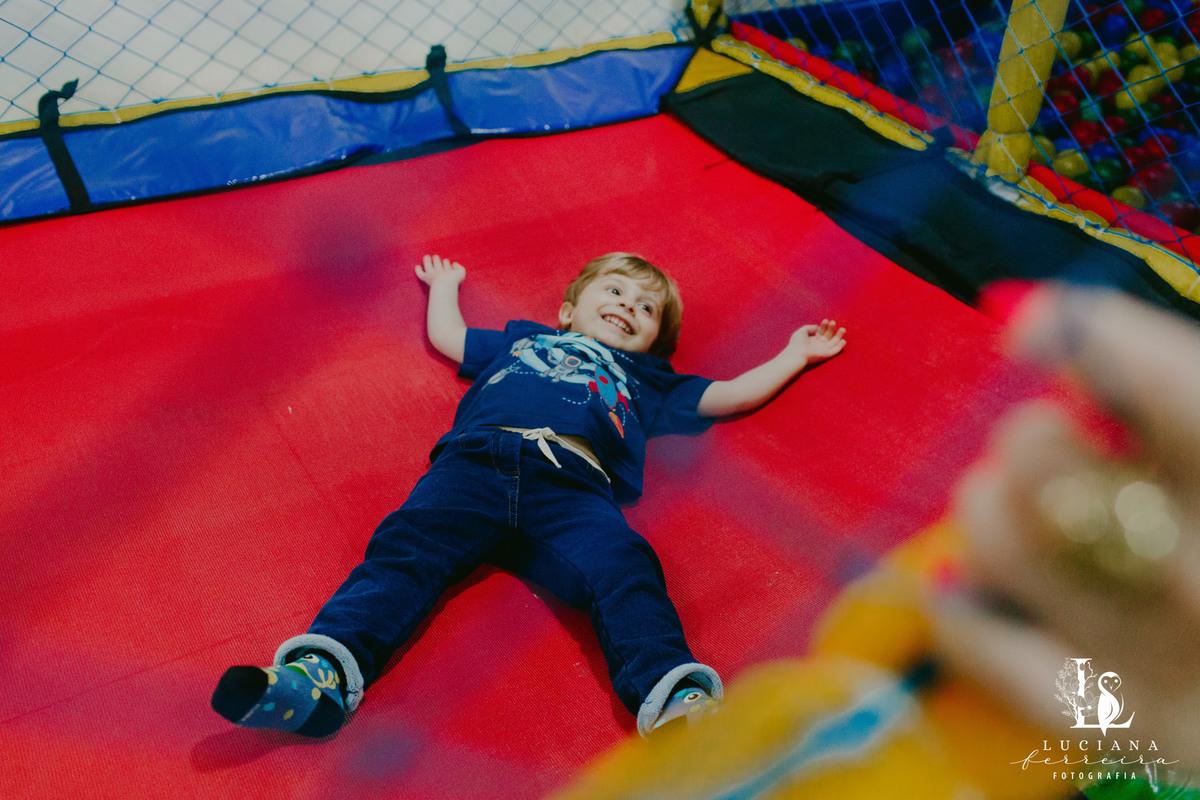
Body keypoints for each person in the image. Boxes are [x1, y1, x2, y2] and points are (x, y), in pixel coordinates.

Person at [210, 252, 847, 739]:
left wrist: (794, 354)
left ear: (655, 341)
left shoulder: (649, 380)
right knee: (403, 553)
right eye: (615, 290)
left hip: (574, 487)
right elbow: (452, 340)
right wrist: (445, 289)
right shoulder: (522, 339)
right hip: (475, 464)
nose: (628, 305)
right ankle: (318, 673)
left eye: (647, 309)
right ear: (569, 309)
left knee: (626, 570)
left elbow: (732, 393)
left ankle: (678, 701)